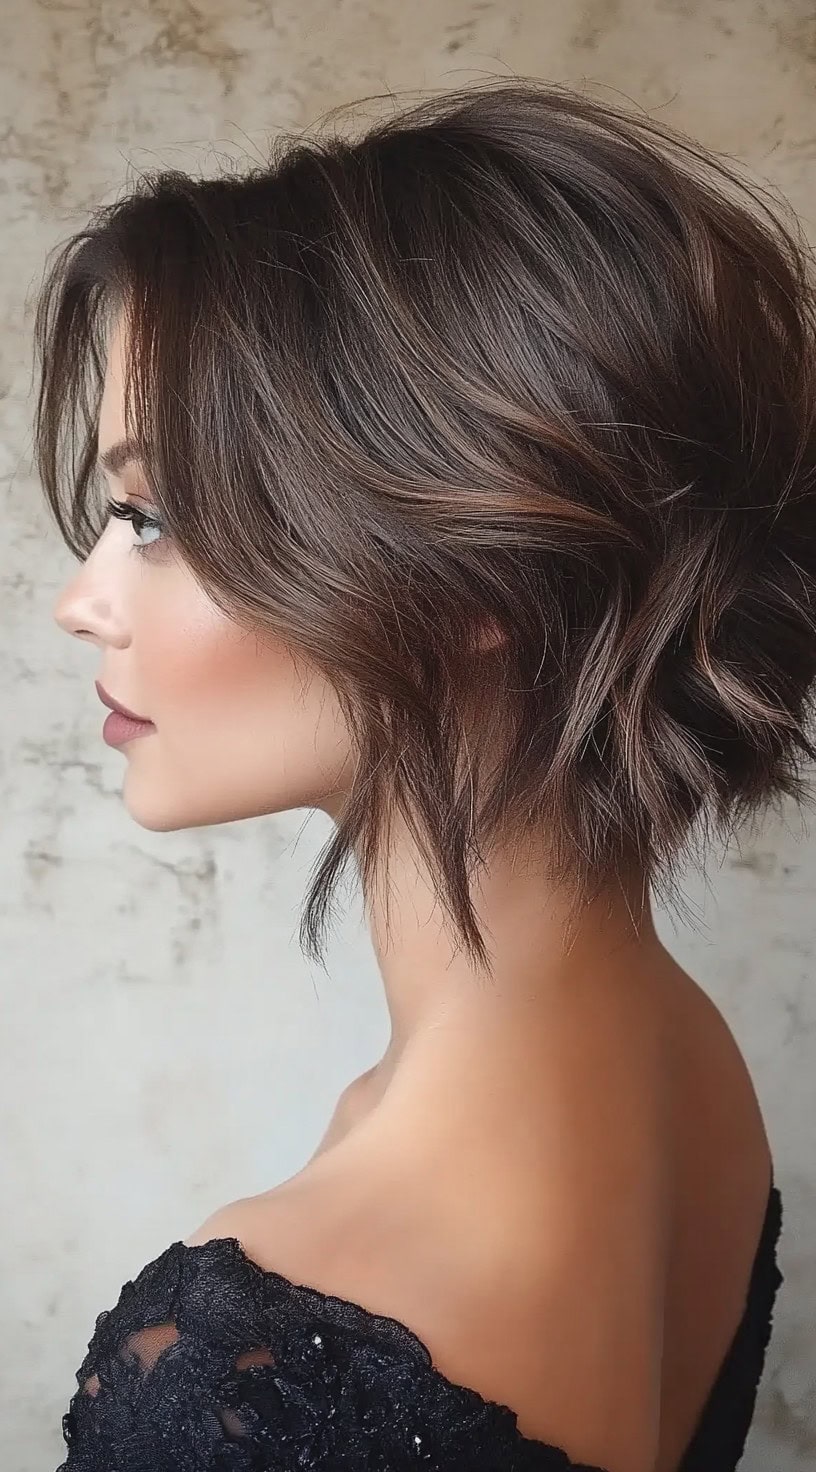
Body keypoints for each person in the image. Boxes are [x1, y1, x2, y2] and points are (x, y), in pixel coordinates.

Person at [31, 74, 814, 1472]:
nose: (80, 601)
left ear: (470, 566)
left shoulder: (261, 1360)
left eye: (150, 516)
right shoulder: (681, 1061)